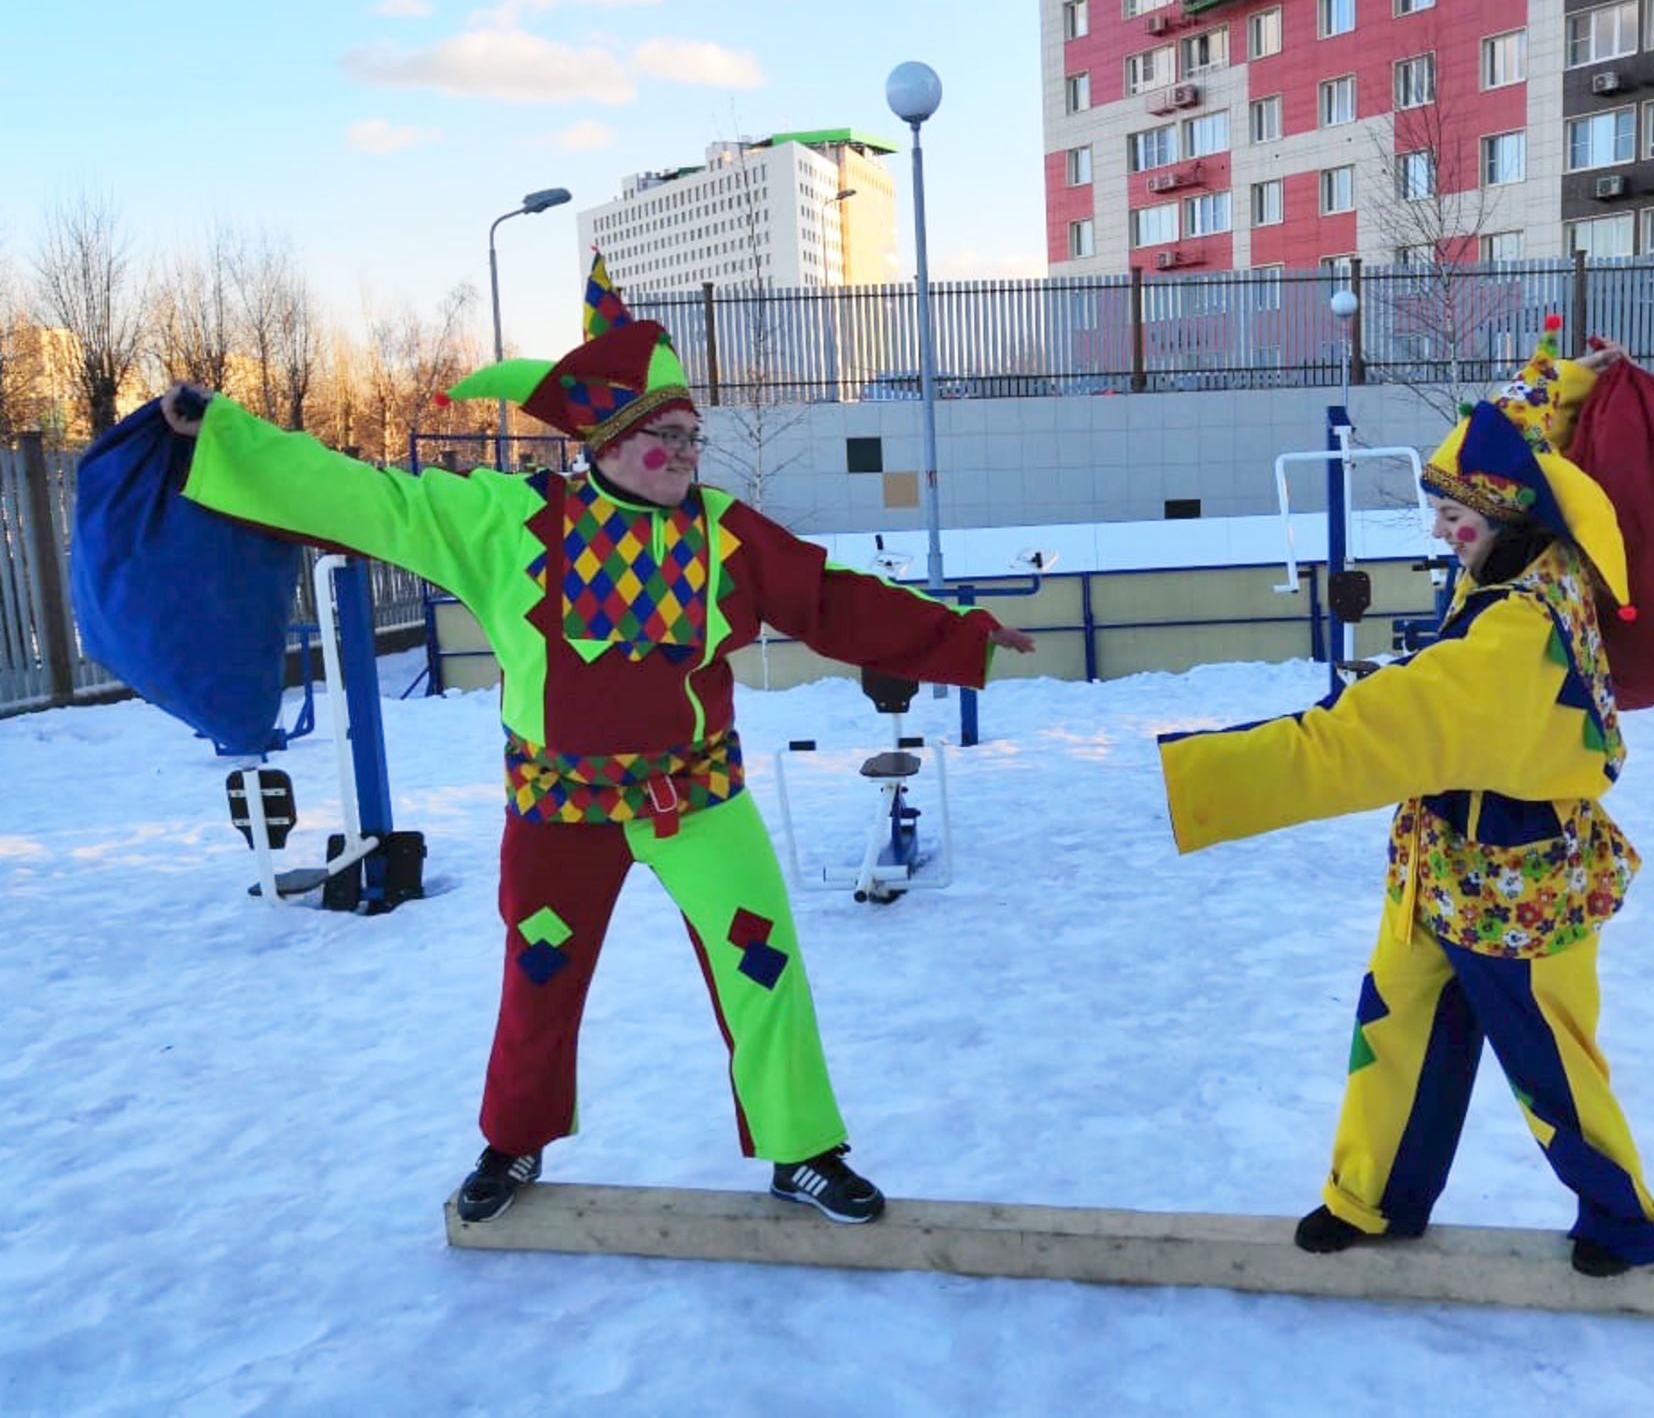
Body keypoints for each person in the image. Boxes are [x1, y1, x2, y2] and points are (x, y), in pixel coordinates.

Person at [159, 255, 1033, 1225]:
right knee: (541, 971)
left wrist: (963, 638)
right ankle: (513, 1140)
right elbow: (372, 499)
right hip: (559, 812)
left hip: (697, 801)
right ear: (610, 438)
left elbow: (831, 601)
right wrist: (227, 434)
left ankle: (803, 1149)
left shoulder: (726, 534)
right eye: (668, 434)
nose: (687, 451)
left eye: (693, 435)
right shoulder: (508, 521)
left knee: (763, 958)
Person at [1157, 322, 1654, 1277]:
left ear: (1508, 515)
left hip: (1522, 874)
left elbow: (1368, 735)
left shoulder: (1519, 632)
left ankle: (1621, 1218)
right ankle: (1374, 1196)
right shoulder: (1519, 551)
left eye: (1453, 516)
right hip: (1442, 856)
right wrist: (1564, 382)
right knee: (1394, 1029)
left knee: (1548, 1059)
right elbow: (1515, 439)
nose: (1439, 532)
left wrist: (1208, 776)